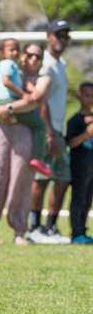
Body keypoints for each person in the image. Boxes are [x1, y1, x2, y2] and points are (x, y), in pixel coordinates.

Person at [0, 38, 51, 178]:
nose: (33, 59)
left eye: (38, 56)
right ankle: (37, 158)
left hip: (9, 117)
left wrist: (6, 109)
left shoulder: (39, 77)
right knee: (39, 126)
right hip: (4, 111)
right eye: (29, 55)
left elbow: (34, 98)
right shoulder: (9, 66)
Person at [28, 20, 73, 244]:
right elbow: (40, 100)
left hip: (58, 129)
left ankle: (50, 227)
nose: (62, 39)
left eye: (66, 35)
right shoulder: (45, 64)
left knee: (62, 178)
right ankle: (35, 228)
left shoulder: (60, 63)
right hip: (48, 130)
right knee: (43, 179)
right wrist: (49, 133)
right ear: (48, 36)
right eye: (58, 34)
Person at [65, 82, 93, 244]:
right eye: (86, 95)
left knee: (88, 200)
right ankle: (76, 233)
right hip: (79, 166)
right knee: (79, 198)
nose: (89, 99)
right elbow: (71, 143)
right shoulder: (75, 120)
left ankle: (83, 231)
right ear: (79, 96)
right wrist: (87, 133)